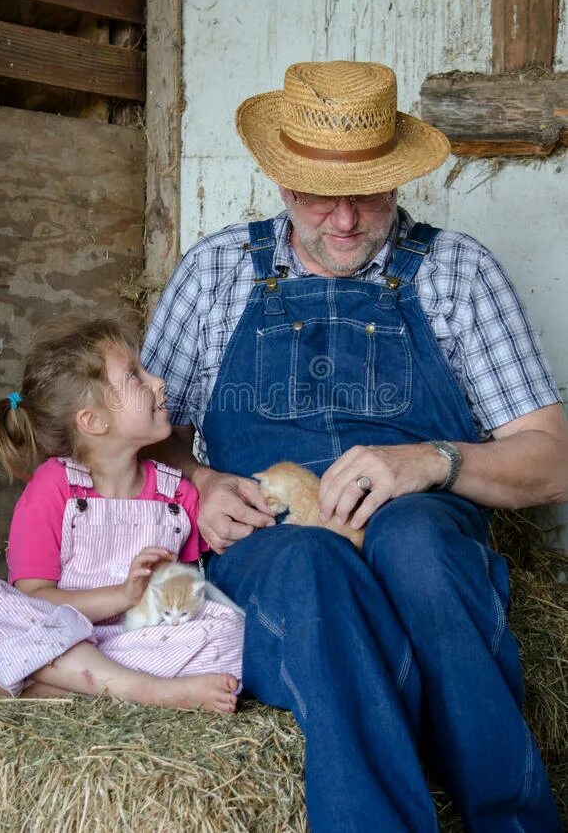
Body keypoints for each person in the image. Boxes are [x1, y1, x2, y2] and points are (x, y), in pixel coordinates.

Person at [140, 61, 568, 831]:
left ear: (399, 179)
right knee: (313, 561)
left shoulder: (456, 273)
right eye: (314, 194)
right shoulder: (213, 273)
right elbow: (147, 448)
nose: (342, 222)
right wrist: (198, 484)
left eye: (365, 193)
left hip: (420, 522)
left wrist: (435, 461)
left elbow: (553, 462)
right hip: (269, 538)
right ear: (278, 181)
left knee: (415, 544)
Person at [0, 314, 243, 713]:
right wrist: (122, 594)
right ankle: (146, 691)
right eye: (135, 377)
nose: (159, 382)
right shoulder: (53, 487)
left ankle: (49, 683)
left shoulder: (178, 493)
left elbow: (186, 590)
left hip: (130, 641)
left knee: (231, 633)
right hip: (53, 632)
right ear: (93, 421)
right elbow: (33, 599)